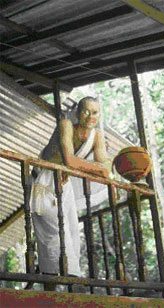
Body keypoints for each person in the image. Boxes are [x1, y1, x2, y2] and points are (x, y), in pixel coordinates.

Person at [30, 96, 111, 278]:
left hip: (64, 184)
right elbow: (70, 160)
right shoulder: (66, 125)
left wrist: (103, 167)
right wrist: (99, 169)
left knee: (73, 230)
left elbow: (105, 164)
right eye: (86, 111)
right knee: (54, 232)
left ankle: (71, 279)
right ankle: (65, 281)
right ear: (78, 113)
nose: (91, 116)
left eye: (95, 112)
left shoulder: (97, 135)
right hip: (44, 180)